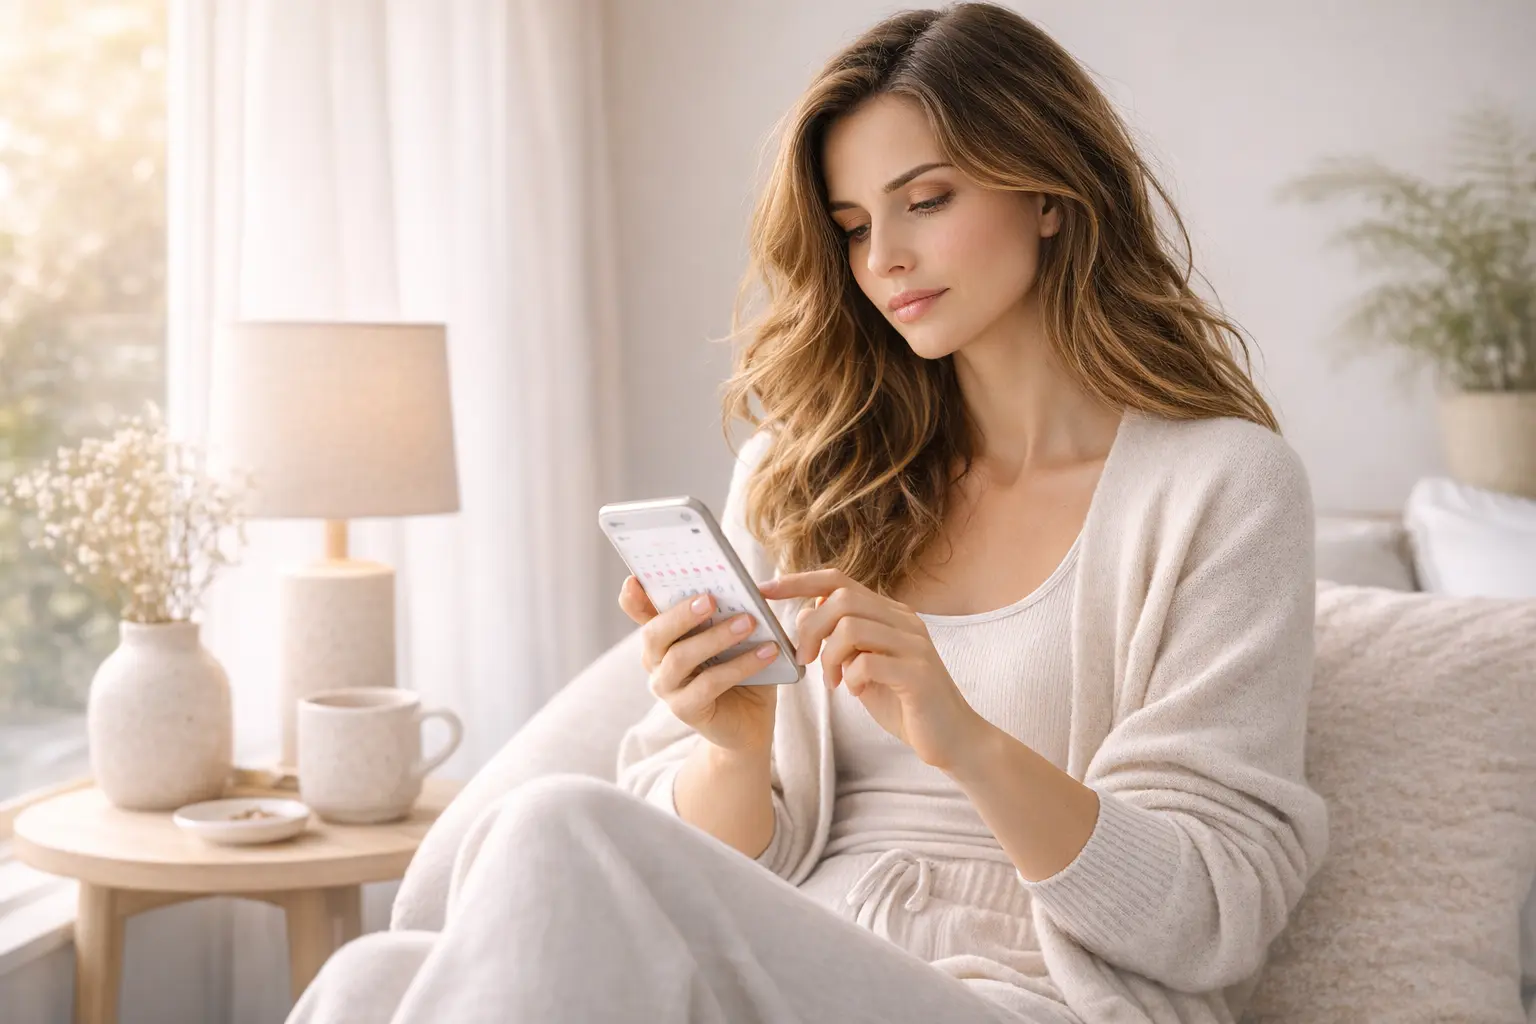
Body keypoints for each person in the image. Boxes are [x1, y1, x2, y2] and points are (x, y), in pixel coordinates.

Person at [288, 4, 1326, 1022]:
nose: (884, 260)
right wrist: (734, 751)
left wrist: (964, 738)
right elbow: (709, 873)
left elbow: (1209, 914)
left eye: (927, 201)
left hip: (1026, 992)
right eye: (854, 228)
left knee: (557, 823)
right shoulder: (808, 477)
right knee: (364, 983)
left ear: (1050, 195)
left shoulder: (1223, 488)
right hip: (789, 956)